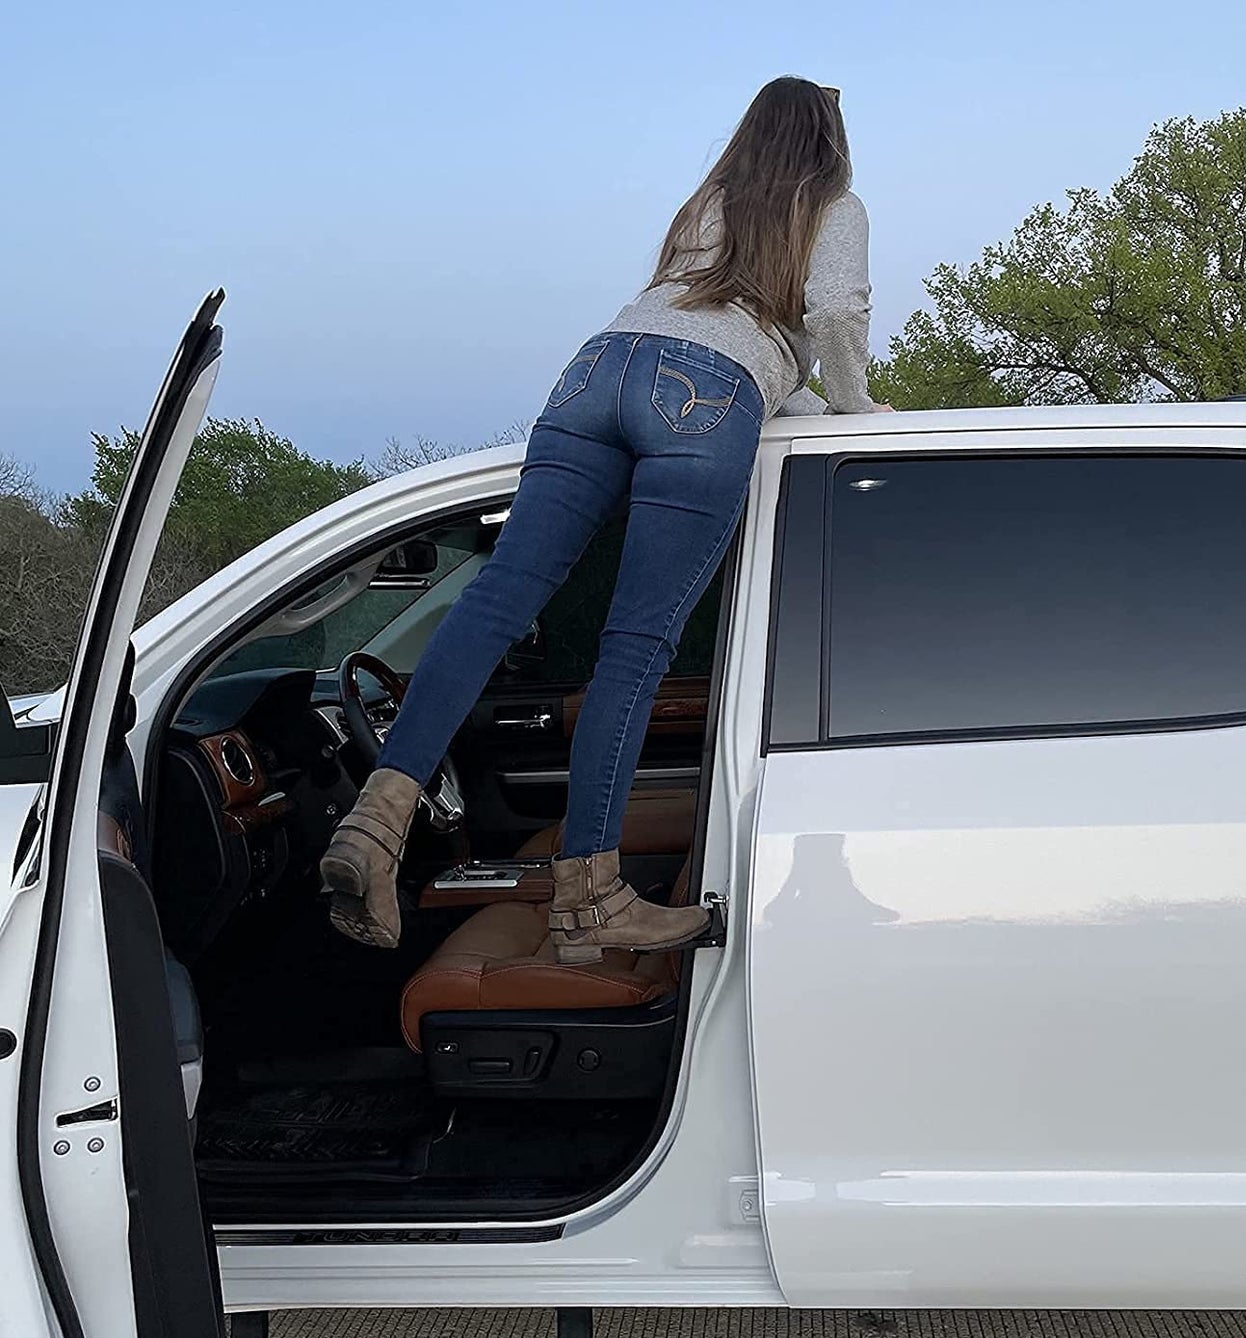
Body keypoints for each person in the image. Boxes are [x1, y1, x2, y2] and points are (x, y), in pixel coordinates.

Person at [321, 75, 886, 956]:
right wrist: (852, 405)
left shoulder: (710, 201)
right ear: (828, 139)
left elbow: (701, 331)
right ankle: (591, 896)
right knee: (634, 648)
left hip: (594, 373)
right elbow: (832, 313)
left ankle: (380, 813)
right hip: (703, 399)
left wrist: (792, 397)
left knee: (499, 596)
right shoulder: (834, 205)